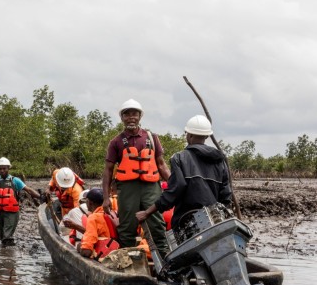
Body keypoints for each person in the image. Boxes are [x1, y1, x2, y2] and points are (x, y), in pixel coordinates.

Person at [136, 115, 232, 231]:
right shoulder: (220, 160)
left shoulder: (179, 158)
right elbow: (226, 196)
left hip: (186, 221)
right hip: (215, 221)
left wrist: (147, 212)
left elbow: (174, 191)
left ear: (189, 135)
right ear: (206, 136)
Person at [102, 99, 171, 258]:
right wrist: (106, 198)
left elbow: (161, 166)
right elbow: (108, 171)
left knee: (157, 225)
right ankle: (131, 264)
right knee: (127, 227)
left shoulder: (152, 138)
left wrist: (177, 186)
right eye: (127, 114)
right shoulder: (116, 142)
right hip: (127, 189)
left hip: (151, 188)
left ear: (140, 116)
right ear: (122, 118)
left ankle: (166, 262)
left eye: (134, 114)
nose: (131, 117)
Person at [0, 157, 41, 246]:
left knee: (7, 236)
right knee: (3, 236)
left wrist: (40, 197)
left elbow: (28, 190)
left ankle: (8, 256)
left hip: (12, 213)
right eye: (0, 169)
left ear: (8, 168)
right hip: (0, 212)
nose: (2, 171)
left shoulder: (15, 180)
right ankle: (7, 251)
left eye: (4, 168)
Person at [77, 188, 119, 259]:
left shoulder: (93, 218)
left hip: (105, 255)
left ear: (90, 203)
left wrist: (79, 247)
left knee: (79, 245)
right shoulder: (113, 212)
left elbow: (86, 252)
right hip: (117, 250)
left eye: (86, 201)